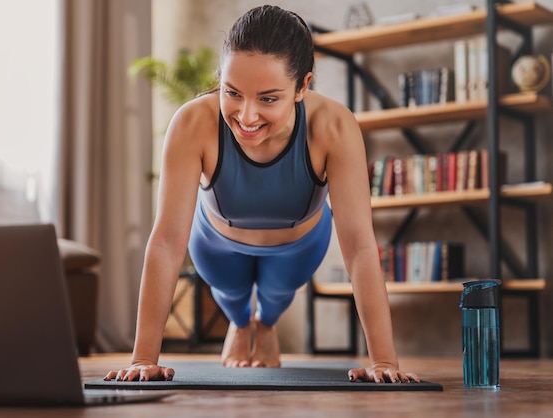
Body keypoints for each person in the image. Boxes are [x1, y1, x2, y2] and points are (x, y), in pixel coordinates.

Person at [104, 4, 419, 384]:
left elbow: (360, 248)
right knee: (231, 295)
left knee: (275, 296)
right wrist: (142, 360)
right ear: (220, 78)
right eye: (232, 92)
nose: (246, 116)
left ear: (303, 86)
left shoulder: (334, 126)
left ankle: (265, 324)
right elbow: (168, 243)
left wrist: (384, 361)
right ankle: (240, 323)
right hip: (217, 242)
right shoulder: (192, 123)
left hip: (299, 245)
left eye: (268, 99)